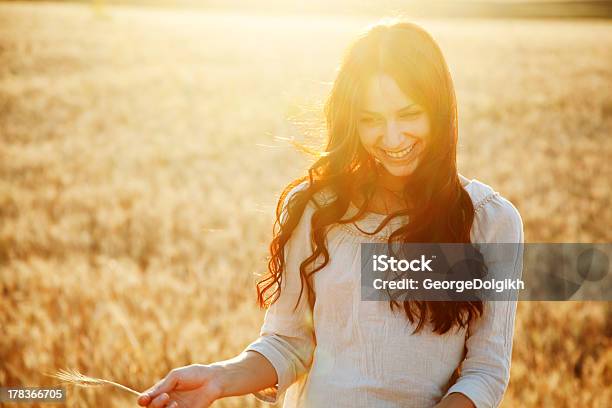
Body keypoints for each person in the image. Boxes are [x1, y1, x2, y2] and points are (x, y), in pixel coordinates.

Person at [136, 18, 524, 408]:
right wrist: (218, 378)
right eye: (370, 120)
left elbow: (485, 370)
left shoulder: (490, 223)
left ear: (439, 111)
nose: (391, 138)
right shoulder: (313, 209)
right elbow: (288, 342)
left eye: (409, 114)